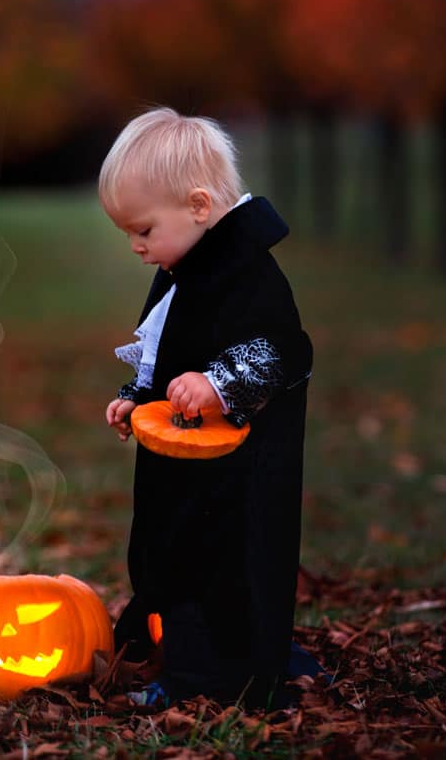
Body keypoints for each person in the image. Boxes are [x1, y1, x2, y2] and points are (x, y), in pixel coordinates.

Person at [99, 107, 319, 709]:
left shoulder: (248, 275)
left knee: (222, 567)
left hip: (237, 475)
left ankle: (219, 679)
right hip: (183, 467)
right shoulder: (183, 267)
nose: (136, 248)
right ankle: (186, 661)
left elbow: (284, 350)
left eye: (143, 230)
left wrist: (219, 383)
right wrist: (135, 399)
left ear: (198, 207)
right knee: (170, 556)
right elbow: (163, 350)